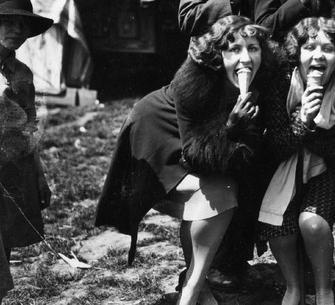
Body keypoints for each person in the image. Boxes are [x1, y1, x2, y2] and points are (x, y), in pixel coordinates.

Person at [95, 16, 282, 305]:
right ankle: (194, 290)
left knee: (216, 194)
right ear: (218, 55)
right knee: (220, 192)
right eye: (234, 50)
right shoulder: (193, 78)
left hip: (204, 141)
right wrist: (231, 129)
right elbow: (194, 154)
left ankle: (195, 287)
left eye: (253, 48)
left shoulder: (265, 79)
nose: (245, 58)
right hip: (158, 135)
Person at [177, 0, 286, 290]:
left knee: (255, 167)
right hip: (212, 83)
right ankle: (202, 263)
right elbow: (186, 18)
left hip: (260, 77)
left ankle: (236, 260)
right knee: (214, 164)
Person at [257, 17, 335, 305]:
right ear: (297, 53)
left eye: (327, 49)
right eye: (309, 47)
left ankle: (324, 289)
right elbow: (277, 147)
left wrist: (309, 132)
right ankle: (294, 287)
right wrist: (302, 121)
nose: (318, 55)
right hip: (286, 164)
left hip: (328, 168)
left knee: (312, 223)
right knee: (279, 228)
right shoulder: (281, 85)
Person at [0, 0, 54, 304]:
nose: (17, 30)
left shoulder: (21, 75)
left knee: (3, 245)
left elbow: (28, 129)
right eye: (8, 21)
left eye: (23, 25)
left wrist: (39, 175)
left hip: (10, 173)